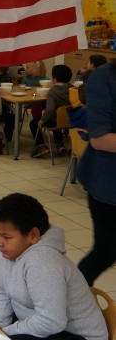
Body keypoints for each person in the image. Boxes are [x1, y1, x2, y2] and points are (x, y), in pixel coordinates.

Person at [0, 193, 106, 340]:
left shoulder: (43, 262)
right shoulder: (5, 249)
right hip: (36, 318)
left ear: (33, 235)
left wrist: (7, 332)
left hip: (72, 333)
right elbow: (0, 289)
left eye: (7, 237)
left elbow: (52, 321)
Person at [78, 59, 116, 287]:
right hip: (108, 184)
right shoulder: (105, 77)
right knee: (106, 250)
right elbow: (100, 139)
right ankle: (71, 301)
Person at [30, 65, 72, 158]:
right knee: (55, 119)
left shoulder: (53, 92)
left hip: (56, 120)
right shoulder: (72, 88)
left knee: (34, 123)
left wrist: (42, 120)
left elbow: (50, 109)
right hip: (71, 120)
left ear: (54, 79)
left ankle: (41, 147)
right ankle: (59, 144)